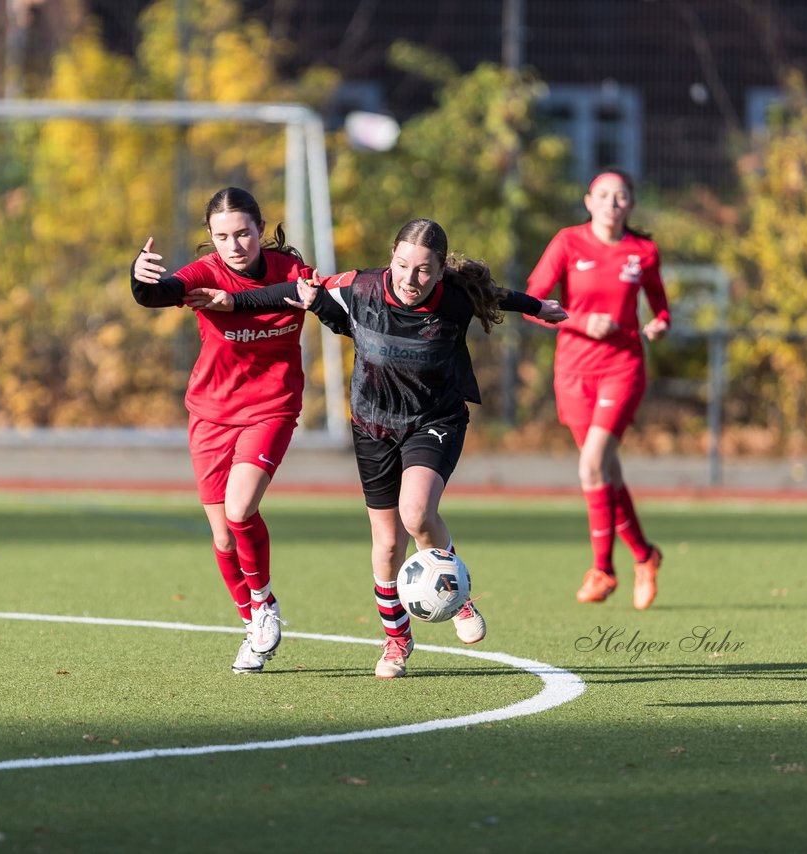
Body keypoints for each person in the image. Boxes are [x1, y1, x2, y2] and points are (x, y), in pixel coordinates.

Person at [190, 218, 568, 678]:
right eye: (403, 265)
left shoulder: (456, 296)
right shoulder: (360, 286)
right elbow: (296, 288)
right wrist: (233, 300)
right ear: (391, 258)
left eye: (425, 270)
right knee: (387, 544)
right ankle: (396, 641)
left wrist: (538, 307)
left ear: (440, 272)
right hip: (372, 425)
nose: (411, 279)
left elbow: (498, 296)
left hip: (435, 420)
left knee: (417, 514)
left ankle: (458, 596)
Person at [130, 187, 314, 674]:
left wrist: (232, 303)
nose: (235, 245)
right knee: (225, 538)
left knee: (240, 508)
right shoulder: (204, 273)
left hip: (271, 407)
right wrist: (140, 279)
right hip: (210, 413)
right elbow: (159, 293)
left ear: (259, 229)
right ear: (210, 239)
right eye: (223, 237)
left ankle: (264, 601)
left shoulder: (290, 270)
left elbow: (299, 294)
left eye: (243, 234)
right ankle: (254, 622)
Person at [524, 168, 670, 610]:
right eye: (603, 195)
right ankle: (645, 556)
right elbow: (532, 301)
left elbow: (661, 306)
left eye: (620, 196)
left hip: (622, 369)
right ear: (588, 201)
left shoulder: (642, 251)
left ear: (631, 204)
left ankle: (603, 570)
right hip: (573, 372)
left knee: (591, 466)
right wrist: (582, 321)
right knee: (608, 473)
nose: (611, 202)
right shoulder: (567, 242)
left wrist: (660, 324)